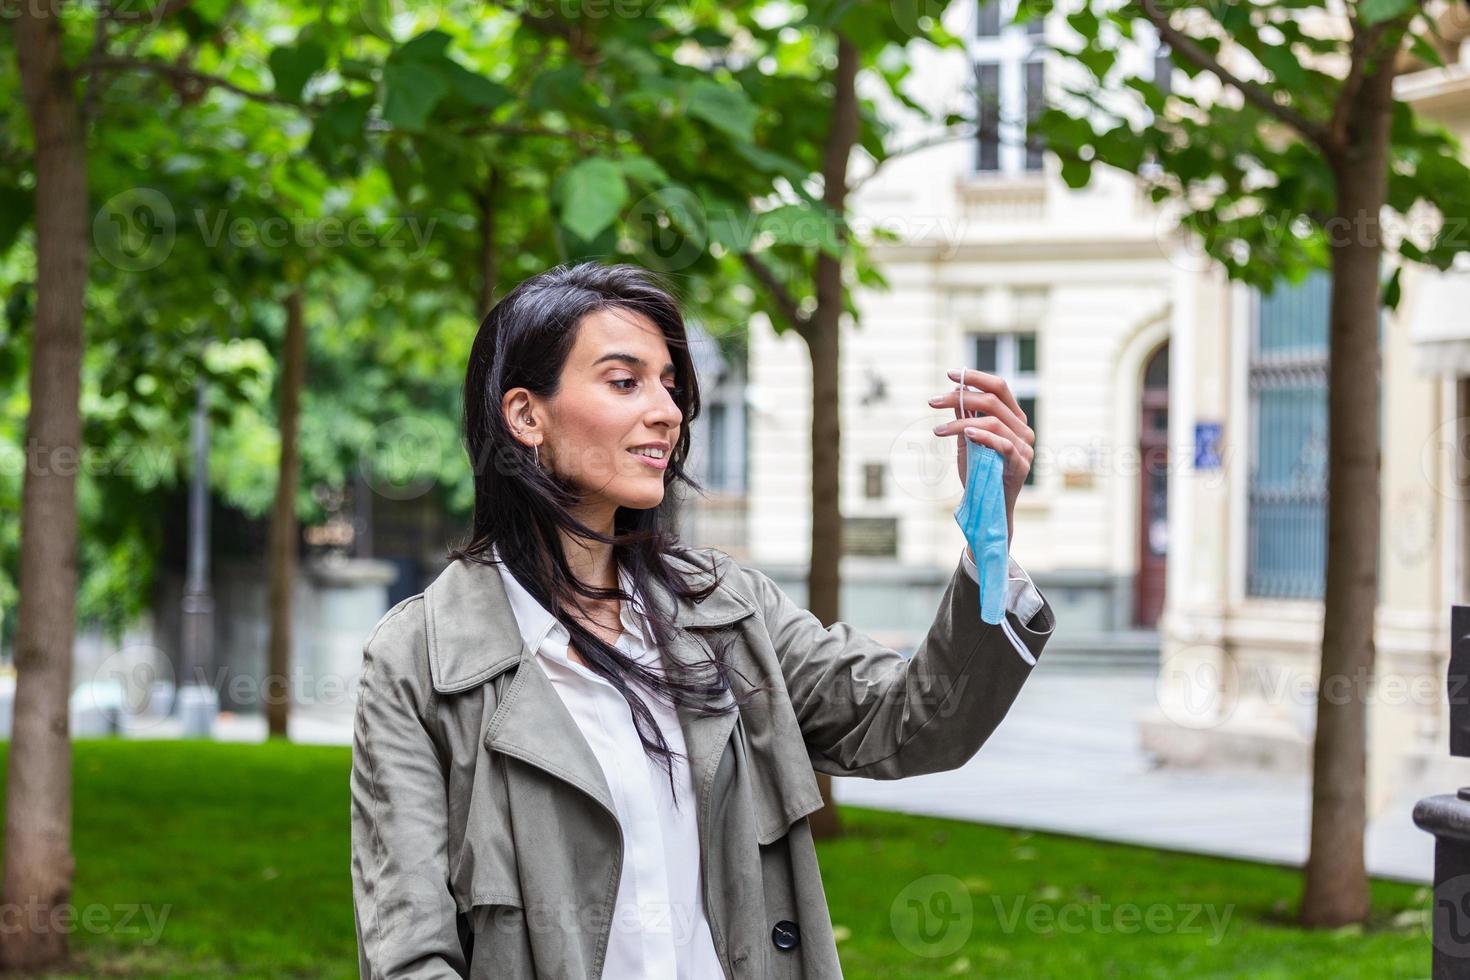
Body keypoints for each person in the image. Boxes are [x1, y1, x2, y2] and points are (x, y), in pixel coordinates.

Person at [349, 261, 1056, 979]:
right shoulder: (419, 659)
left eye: (669, 385)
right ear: (526, 415)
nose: (668, 410)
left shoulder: (726, 607)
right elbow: (409, 955)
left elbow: (918, 722)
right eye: (626, 381)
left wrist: (988, 536)